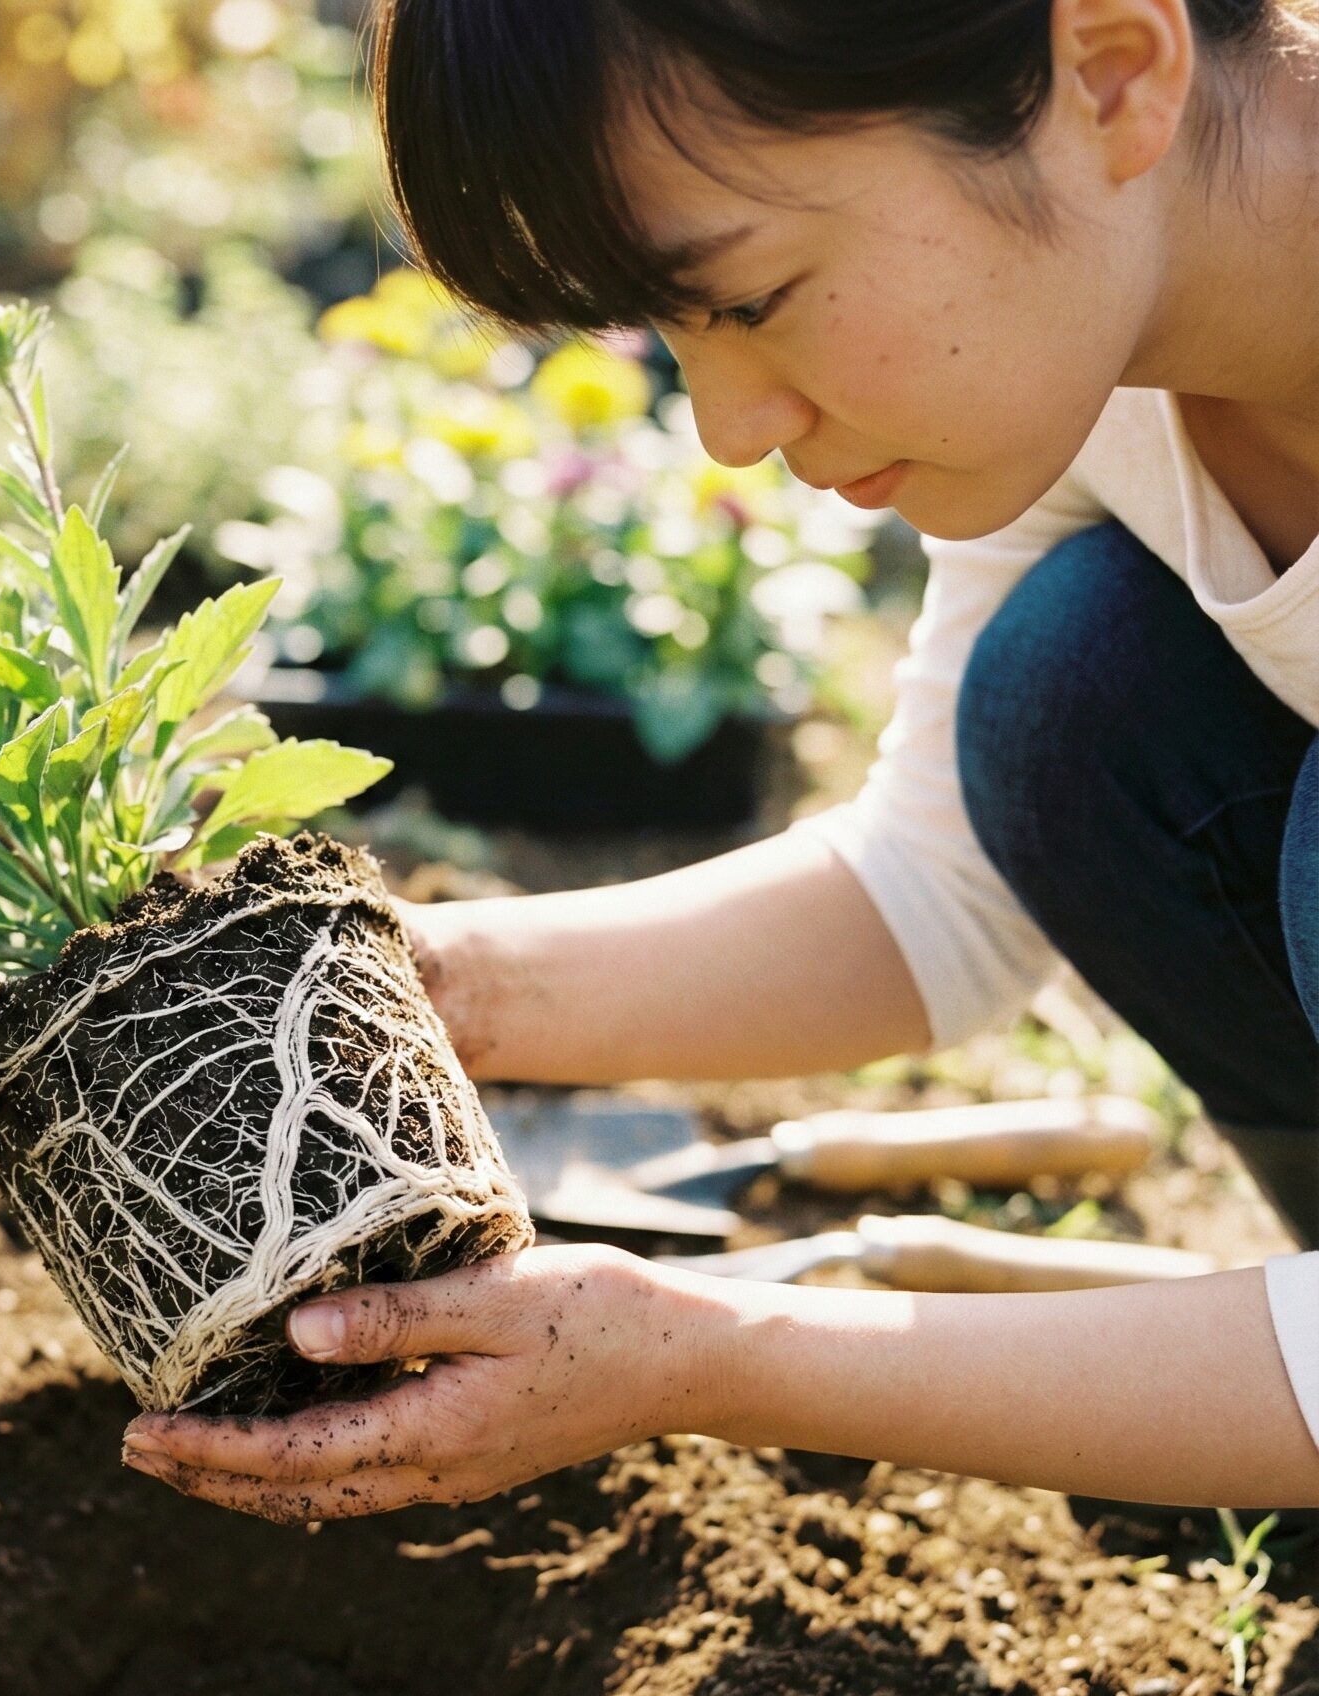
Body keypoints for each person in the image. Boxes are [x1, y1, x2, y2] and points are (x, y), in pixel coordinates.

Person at [121, 0, 1319, 1516]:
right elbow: (935, 889)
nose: (729, 430)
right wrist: (401, 994)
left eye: (750, 298)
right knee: (1063, 692)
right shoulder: (1096, 332)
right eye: (673, 335)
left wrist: (705, 1354)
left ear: (1111, 71)